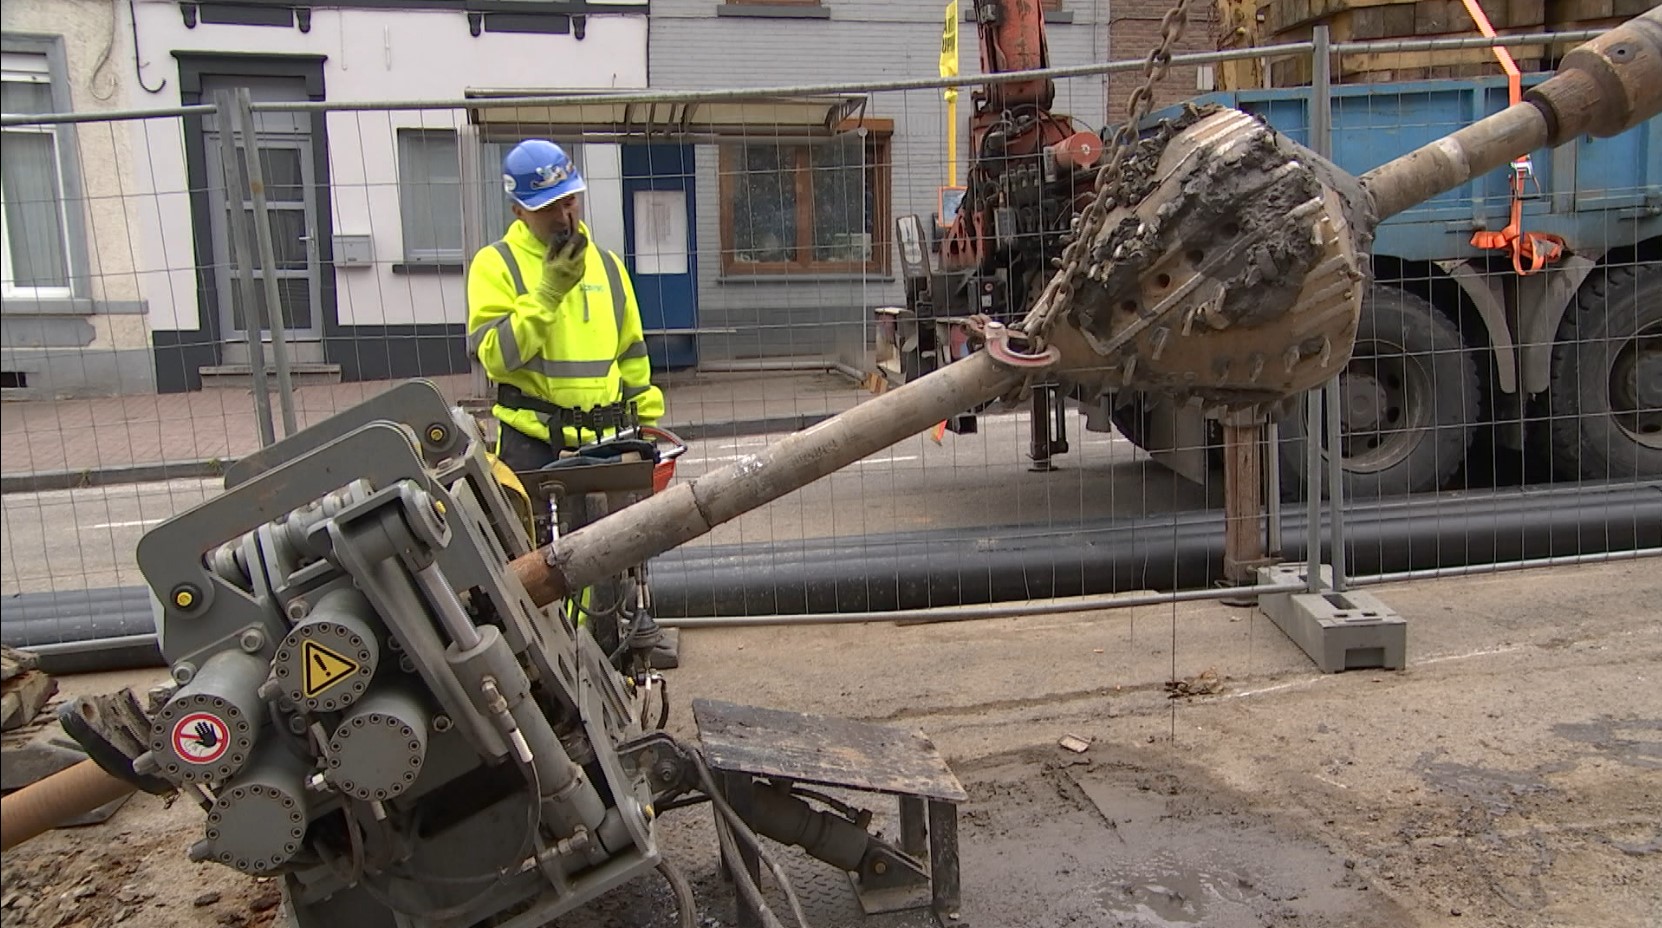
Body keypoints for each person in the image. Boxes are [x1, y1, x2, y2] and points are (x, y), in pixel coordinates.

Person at [467, 139, 665, 472]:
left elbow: (632, 357)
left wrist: (646, 426)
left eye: (569, 201)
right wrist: (548, 293)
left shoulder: (608, 265)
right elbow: (497, 359)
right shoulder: (495, 264)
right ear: (518, 210)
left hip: (609, 440)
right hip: (533, 445)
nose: (563, 217)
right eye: (547, 207)